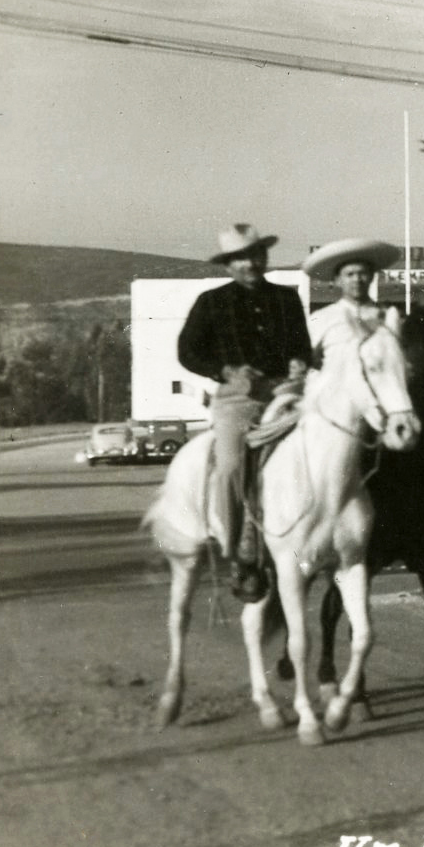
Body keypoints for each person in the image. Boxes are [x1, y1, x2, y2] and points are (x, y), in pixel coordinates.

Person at [176, 223, 311, 601]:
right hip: (238, 398)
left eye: (255, 256)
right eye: (240, 259)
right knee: (232, 467)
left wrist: (300, 361)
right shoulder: (211, 302)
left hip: (286, 390)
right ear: (228, 265)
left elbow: (302, 345)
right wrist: (224, 371)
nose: (250, 264)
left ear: (264, 257)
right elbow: (187, 351)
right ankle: (238, 553)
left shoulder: (287, 299)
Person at [300, 237, 401, 369]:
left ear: (372, 277)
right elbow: (310, 363)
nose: (357, 279)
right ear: (337, 280)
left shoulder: (388, 317)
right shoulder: (321, 318)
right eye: (350, 274)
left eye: (362, 273)